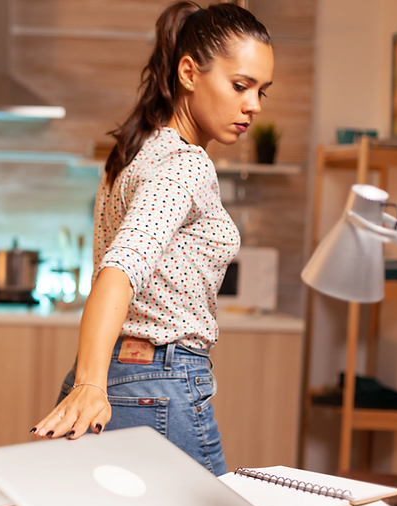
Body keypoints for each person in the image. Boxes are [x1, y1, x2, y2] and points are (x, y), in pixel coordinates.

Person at [30, 1, 273, 476]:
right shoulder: (185, 163)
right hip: (158, 384)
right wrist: (89, 385)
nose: (254, 105)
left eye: (263, 91)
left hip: (121, 376)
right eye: (240, 85)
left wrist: (95, 381)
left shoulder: (133, 152)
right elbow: (120, 267)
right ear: (188, 72)